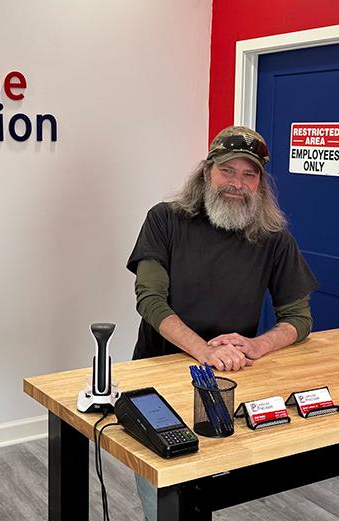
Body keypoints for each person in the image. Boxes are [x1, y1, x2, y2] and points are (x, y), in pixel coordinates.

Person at [125, 125, 318, 520]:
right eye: (227, 170)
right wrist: (204, 351)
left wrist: (258, 345)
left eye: (249, 174)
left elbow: (299, 318)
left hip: (229, 379)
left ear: (260, 184)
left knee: (208, 485)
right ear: (206, 171)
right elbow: (150, 300)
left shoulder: (274, 237)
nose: (237, 183)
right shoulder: (165, 220)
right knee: (162, 496)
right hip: (158, 372)